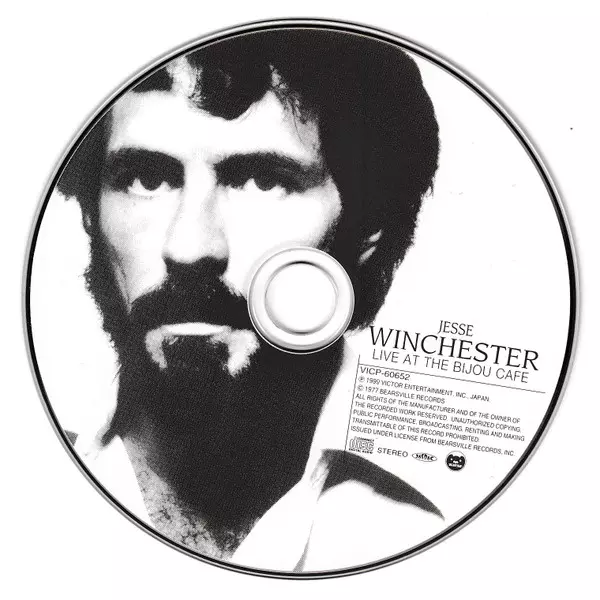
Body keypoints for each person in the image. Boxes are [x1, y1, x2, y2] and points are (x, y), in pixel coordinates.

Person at [56, 28, 442, 572]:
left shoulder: (430, 540)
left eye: (261, 181)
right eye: (145, 178)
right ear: (91, 214)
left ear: (368, 229)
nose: (189, 247)